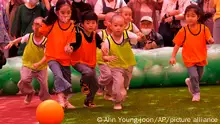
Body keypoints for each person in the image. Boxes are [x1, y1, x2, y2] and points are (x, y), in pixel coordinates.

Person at [169, 5, 214, 102]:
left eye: (193, 16)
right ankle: (196, 93)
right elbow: (177, 45)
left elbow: (209, 38)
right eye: (188, 16)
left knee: (198, 77)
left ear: (198, 17)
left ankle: (190, 82)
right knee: (194, 76)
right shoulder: (183, 30)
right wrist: (173, 57)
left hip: (201, 57)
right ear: (185, 17)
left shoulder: (204, 28)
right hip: (189, 58)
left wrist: (210, 40)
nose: (190, 18)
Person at [5, 17, 51, 105]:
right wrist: (13, 42)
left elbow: (47, 55)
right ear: (32, 26)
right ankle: (29, 92)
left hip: (41, 67)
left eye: (40, 25)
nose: (37, 27)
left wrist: (39, 63)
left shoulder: (46, 41)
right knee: (24, 80)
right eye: (35, 24)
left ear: (44, 27)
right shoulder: (29, 36)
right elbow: (21, 38)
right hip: (28, 64)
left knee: (44, 85)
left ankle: (46, 101)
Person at [39, 0, 76, 109]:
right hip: (52, 56)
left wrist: (69, 47)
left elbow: (71, 41)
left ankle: (66, 101)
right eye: (63, 12)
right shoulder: (51, 24)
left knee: (67, 78)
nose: (66, 15)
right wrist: (46, 22)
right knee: (58, 75)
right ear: (57, 12)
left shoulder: (72, 26)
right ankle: (60, 98)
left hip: (65, 58)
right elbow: (42, 31)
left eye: (68, 12)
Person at [66, 11, 104, 108]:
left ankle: (88, 101)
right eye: (87, 23)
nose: (91, 25)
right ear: (82, 24)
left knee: (95, 86)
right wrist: (70, 48)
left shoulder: (95, 35)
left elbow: (101, 44)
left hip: (90, 63)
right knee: (88, 73)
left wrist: (104, 47)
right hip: (78, 62)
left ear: (96, 23)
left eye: (93, 23)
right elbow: (74, 45)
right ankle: (83, 83)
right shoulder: (79, 34)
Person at [102, 15, 139, 109]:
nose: (118, 28)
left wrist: (142, 37)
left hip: (129, 65)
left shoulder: (128, 35)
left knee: (125, 85)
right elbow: (104, 57)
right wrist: (107, 57)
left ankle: (120, 92)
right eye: (115, 25)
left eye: (120, 25)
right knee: (118, 84)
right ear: (111, 26)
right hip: (116, 66)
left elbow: (138, 38)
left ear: (125, 26)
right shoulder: (108, 41)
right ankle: (117, 102)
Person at [96, 12, 116, 100]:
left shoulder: (118, 34)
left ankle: (108, 94)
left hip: (113, 60)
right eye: (110, 21)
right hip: (102, 60)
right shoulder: (101, 34)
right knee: (108, 75)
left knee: (112, 78)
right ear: (105, 23)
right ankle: (98, 85)